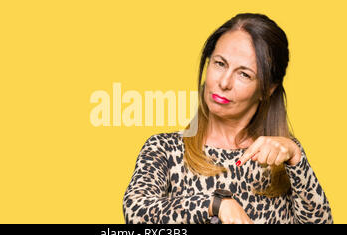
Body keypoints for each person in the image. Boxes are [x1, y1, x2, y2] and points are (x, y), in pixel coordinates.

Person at [122, 13, 333, 224]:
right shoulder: (165, 149)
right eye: (220, 63)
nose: (224, 82)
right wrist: (214, 204)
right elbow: (136, 212)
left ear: (267, 89)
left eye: (244, 74)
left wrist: (297, 159)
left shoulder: (282, 158)